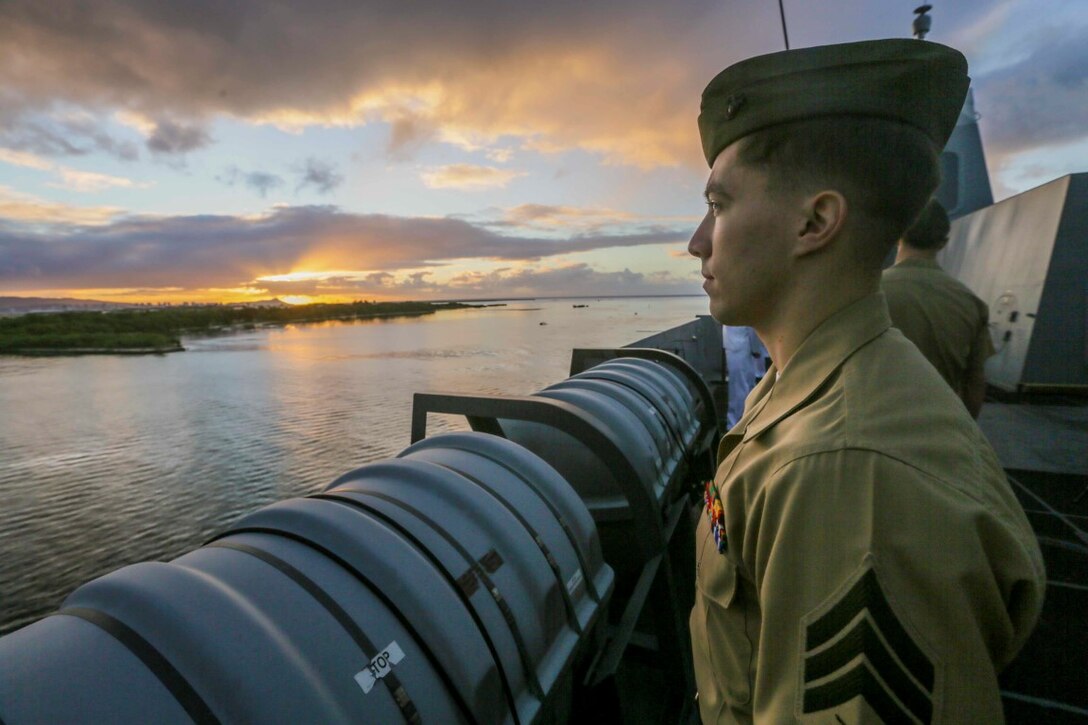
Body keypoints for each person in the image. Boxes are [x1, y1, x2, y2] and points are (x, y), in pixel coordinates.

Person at [687, 39, 1044, 723]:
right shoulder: (802, 390)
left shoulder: (850, 473)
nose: (699, 241)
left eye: (720, 204)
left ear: (815, 221)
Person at [882, 199, 995, 417]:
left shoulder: (866, 292)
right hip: (939, 427)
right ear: (943, 243)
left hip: (871, 428)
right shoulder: (972, 303)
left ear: (898, 235)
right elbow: (974, 384)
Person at [724, 326, 769, 429]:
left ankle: (736, 424)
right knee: (743, 388)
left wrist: (755, 349)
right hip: (741, 347)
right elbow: (752, 327)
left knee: (740, 388)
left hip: (737, 347)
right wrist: (756, 349)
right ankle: (741, 423)